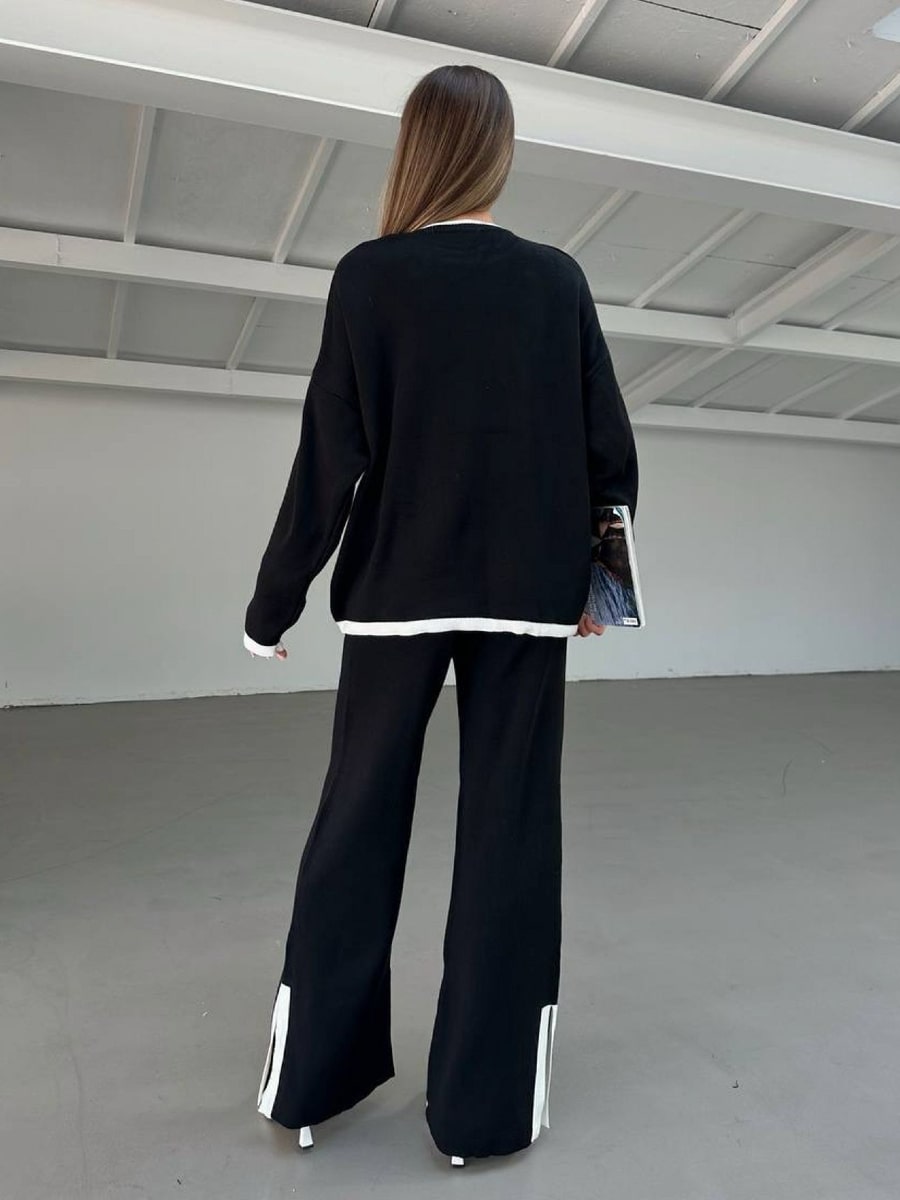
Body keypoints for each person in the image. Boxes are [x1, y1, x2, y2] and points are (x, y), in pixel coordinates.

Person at [244, 63, 639, 1167]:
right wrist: (601, 587)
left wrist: (273, 603)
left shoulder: (369, 278)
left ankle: (311, 1088)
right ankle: (482, 1115)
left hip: (394, 601)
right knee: (511, 840)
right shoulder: (556, 280)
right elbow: (608, 450)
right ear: (498, 153)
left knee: (354, 827)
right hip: (525, 605)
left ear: (415, 150)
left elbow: (330, 456)